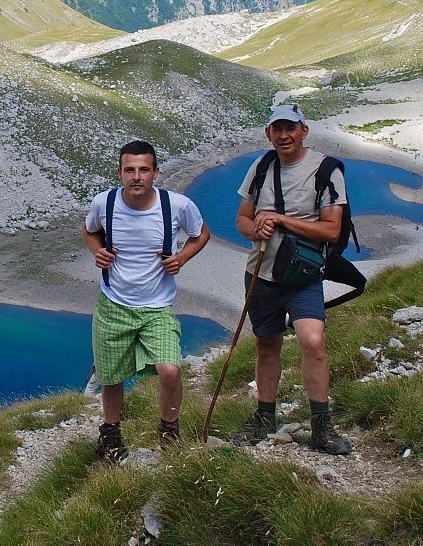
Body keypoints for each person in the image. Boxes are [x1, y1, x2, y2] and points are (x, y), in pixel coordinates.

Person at [235, 104, 353, 455]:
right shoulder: (261, 167)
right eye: (277, 129)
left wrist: (280, 220)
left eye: (291, 128)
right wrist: (256, 226)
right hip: (260, 272)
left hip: (302, 275)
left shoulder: (326, 170)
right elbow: (242, 220)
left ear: (304, 131)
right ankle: (264, 417)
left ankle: (322, 425)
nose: (283, 136)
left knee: (311, 340)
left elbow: (331, 231)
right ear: (268, 134)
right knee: (266, 344)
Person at [82, 140, 210, 461]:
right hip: (113, 304)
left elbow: (201, 233)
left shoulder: (177, 206)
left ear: (156, 172)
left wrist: (182, 258)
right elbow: (89, 231)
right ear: (120, 172)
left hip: (157, 307)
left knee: (170, 370)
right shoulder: (105, 203)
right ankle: (110, 438)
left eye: (143, 169)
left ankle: (169, 432)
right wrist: (97, 251)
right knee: (111, 377)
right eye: (129, 170)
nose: (136, 176)